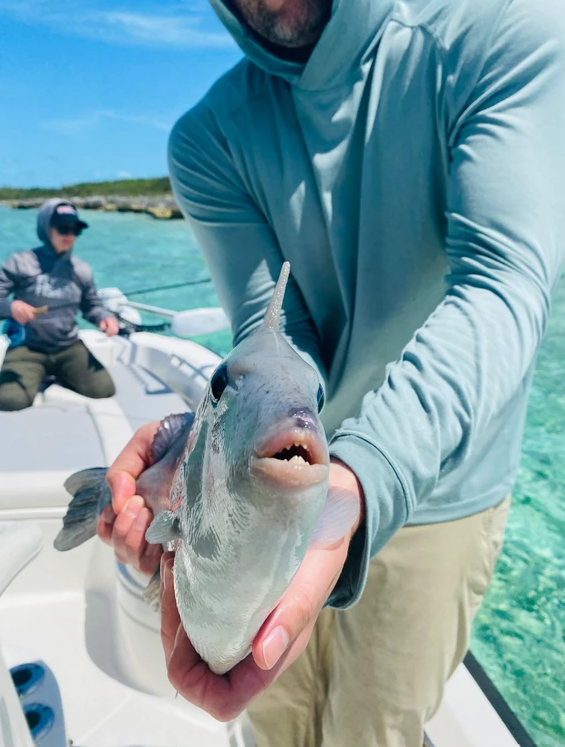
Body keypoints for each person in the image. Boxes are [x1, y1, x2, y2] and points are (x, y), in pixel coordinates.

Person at [98, 0, 565, 744]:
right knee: (274, 722)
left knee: (371, 729)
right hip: (275, 483)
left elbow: (504, 285)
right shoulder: (208, 137)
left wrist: (359, 481)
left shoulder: (506, 31)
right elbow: (277, 336)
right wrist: (206, 439)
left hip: (441, 491)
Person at [0, 199, 119, 411]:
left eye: (75, 229)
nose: (69, 235)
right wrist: (11, 308)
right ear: (46, 228)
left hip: (68, 346)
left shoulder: (81, 270)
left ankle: (57, 372)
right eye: (63, 228)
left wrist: (104, 317)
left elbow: (91, 305)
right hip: (28, 347)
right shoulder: (20, 262)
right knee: (10, 400)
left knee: (103, 390)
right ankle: (39, 371)